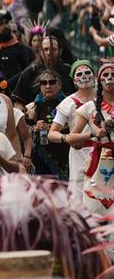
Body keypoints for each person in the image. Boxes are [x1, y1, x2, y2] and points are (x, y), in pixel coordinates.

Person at [69, 61, 114, 217]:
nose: (110, 78)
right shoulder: (90, 107)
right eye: (106, 75)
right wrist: (93, 134)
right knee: (95, 210)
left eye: (113, 75)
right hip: (99, 163)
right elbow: (71, 138)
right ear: (99, 80)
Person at [49, 60, 95, 200]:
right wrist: (66, 137)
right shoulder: (68, 103)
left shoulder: (105, 98)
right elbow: (52, 133)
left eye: (88, 73)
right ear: (74, 80)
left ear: (94, 76)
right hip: (79, 153)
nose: (84, 76)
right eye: (79, 74)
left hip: (104, 150)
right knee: (78, 194)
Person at [25, 68, 69, 180]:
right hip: (41, 156)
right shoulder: (32, 108)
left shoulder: (69, 105)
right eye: (44, 83)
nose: (48, 86)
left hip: (65, 154)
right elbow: (23, 133)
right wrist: (34, 128)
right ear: (40, 86)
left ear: (59, 85)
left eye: (52, 82)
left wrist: (62, 126)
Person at [12, 35, 73, 108]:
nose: (49, 53)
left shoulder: (69, 71)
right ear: (40, 51)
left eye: (53, 49)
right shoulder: (30, 72)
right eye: (46, 49)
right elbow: (18, 101)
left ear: (60, 51)